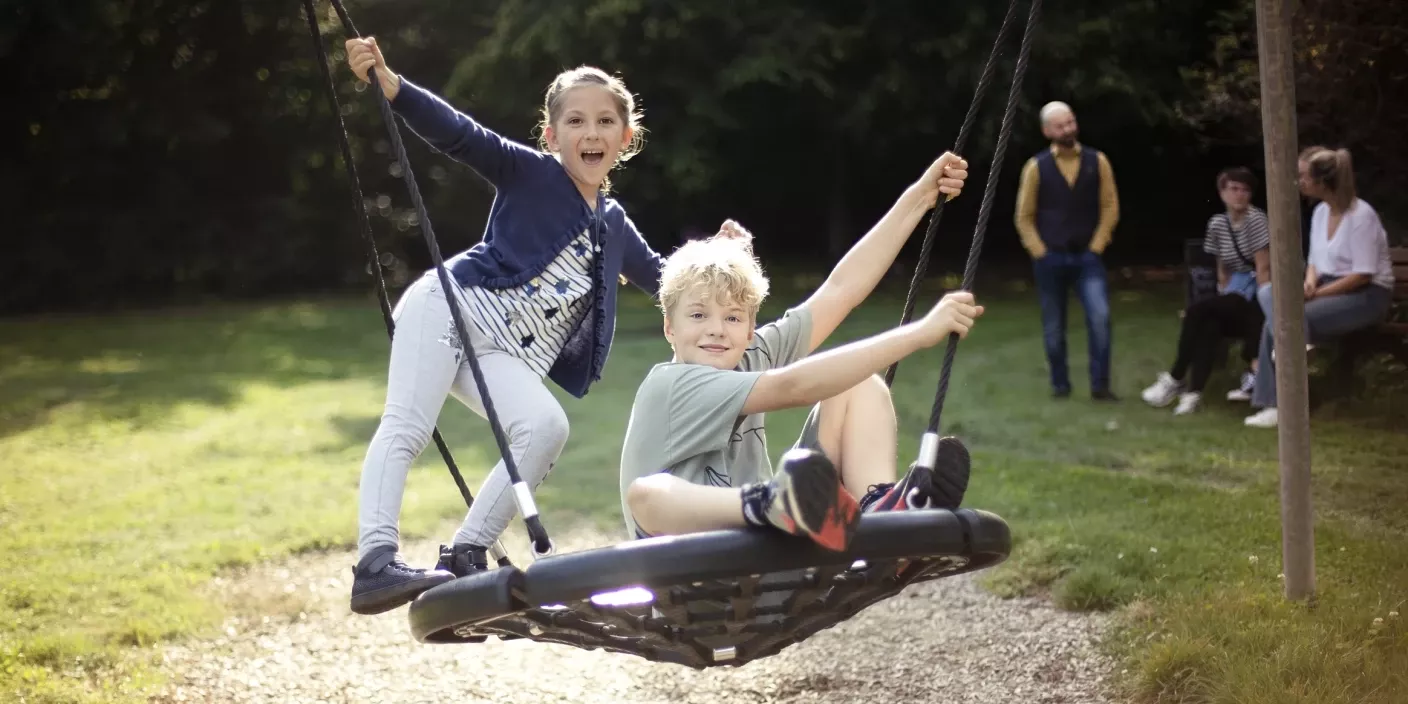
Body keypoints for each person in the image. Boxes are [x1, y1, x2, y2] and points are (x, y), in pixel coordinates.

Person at [343, 37, 670, 615]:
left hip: (505, 355)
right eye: (574, 121)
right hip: (451, 308)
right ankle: (375, 562)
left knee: (545, 426)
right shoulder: (532, 173)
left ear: (626, 137)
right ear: (551, 136)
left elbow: (668, 281)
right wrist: (391, 85)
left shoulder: (614, 223)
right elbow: (463, 135)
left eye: (603, 122)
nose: (589, 133)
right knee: (409, 424)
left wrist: (720, 262)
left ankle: (464, 553)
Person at [618, 154, 980, 548]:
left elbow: (840, 290)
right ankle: (775, 503)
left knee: (858, 385)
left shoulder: (747, 356)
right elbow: (792, 386)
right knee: (646, 494)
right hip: (682, 570)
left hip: (763, 557)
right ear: (670, 327)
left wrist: (921, 197)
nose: (717, 330)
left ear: (751, 327)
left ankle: (885, 517)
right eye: (699, 314)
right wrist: (918, 334)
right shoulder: (669, 386)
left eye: (734, 318)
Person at [1244, 147, 1396, 428]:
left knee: (1283, 321)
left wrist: (1316, 295)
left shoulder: (1362, 216)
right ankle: (1297, 350)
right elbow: (1315, 260)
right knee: (1268, 294)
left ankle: (1278, 403)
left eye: (1303, 175)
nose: (1298, 181)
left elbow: (1363, 274)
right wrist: (1309, 284)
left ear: (1323, 181)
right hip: (1327, 287)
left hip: (1367, 296)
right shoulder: (1320, 213)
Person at [1141, 167, 1270, 414]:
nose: (1240, 195)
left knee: (1196, 311)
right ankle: (1192, 393)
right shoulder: (1218, 224)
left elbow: (1264, 268)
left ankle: (1175, 377)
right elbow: (1222, 267)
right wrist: (1223, 296)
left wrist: (1265, 308)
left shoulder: (1257, 221)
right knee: (1208, 325)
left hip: (1256, 296)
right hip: (1233, 292)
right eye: (1234, 189)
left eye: (1245, 190)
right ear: (1222, 192)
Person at [1014, 101, 1121, 401]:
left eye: (1071, 122)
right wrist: (1039, 252)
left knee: (1100, 318)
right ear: (1047, 130)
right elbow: (1024, 215)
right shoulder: (1036, 167)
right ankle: (1060, 386)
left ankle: (1100, 386)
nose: (1068, 129)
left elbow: (1110, 206)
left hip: (1088, 256)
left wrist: (1097, 246)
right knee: (1053, 326)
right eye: (1061, 125)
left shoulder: (1097, 161)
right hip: (1051, 257)